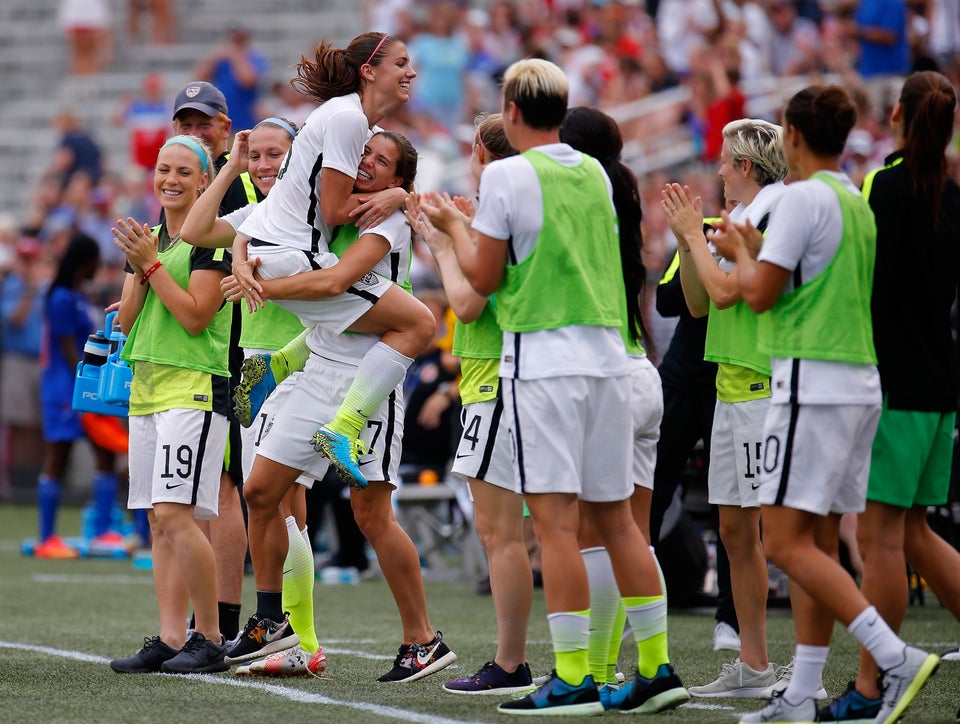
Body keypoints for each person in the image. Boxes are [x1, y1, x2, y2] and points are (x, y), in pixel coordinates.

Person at [419, 58, 687, 716]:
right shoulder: (594, 170)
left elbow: (482, 281)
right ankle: (656, 667)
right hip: (610, 359)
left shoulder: (507, 175)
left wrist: (451, 230)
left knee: (559, 528)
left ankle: (572, 678)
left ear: (512, 110)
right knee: (618, 524)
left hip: (546, 364)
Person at [710, 84, 939, 724]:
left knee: (783, 543)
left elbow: (758, 295)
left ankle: (893, 655)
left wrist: (736, 251)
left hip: (813, 383)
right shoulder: (853, 198)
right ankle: (802, 692)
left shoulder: (804, 197)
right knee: (818, 539)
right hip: (858, 383)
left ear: (794, 136)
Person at [221, 129, 457, 683]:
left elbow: (334, 285)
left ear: (399, 178)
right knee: (259, 491)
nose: (367, 162)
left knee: (372, 514)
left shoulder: (390, 218)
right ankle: (274, 622)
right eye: (364, 152)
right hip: (319, 368)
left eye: (382, 160)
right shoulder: (332, 205)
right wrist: (240, 252)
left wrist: (259, 285)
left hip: (370, 376)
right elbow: (245, 225)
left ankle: (423, 640)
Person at [229, 33, 433, 491]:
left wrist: (242, 253)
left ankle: (278, 366)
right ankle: (344, 426)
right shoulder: (348, 119)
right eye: (401, 63)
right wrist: (398, 196)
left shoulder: (342, 117)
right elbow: (338, 211)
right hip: (292, 257)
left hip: (275, 251)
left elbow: (274, 208)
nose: (411, 72)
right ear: (369, 71)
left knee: (265, 495)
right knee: (419, 323)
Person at [820, 70, 960, 723]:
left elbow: (862, 278)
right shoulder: (952, 193)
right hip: (939, 384)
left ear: (897, 114)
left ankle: (871, 684)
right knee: (914, 533)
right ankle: (872, 680)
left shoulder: (885, 183)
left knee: (881, 541)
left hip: (894, 384)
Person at [178, 116, 325, 677]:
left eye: (274, 154)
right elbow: (194, 230)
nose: (263, 165)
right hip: (254, 367)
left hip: (299, 363)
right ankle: (295, 637)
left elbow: (333, 284)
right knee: (272, 503)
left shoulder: (317, 209)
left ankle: (299, 636)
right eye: (255, 155)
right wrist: (230, 168)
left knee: (281, 503)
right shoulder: (258, 214)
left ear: (299, 156)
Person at [407, 113, 536, 696]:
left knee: (502, 533)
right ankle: (587, 663)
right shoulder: (525, 201)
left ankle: (512, 663)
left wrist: (441, 241)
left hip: (495, 380)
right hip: (515, 378)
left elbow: (469, 302)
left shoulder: (500, 206)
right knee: (545, 531)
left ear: (482, 150)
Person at [663, 118, 790, 698]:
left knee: (784, 540)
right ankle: (754, 665)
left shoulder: (773, 212)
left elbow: (725, 292)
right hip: (732, 387)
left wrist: (695, 236)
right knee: (736, 534)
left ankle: (807, 667)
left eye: (723, 160)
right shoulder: (742, 216)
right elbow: (697, 303)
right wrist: (686, 240)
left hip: (763, 387)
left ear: (744, 165)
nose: (716, 171)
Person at [557, 106, 671, 709]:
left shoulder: (580, 200)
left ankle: (600, 671)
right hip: (642, 372)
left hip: (607, 376)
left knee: (593, 535)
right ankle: (649, 667)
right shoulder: (621, 193)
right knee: (632, 535)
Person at [109, 135, 232, 675]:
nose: (171, 180)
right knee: (158, 520)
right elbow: (127, 320)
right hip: (148, 390)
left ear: (205, 180)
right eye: (164, 169)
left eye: (184, 171)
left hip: (194, 388)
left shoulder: (213, 239)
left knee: (177, 514)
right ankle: (170, 636)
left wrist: (152, 265)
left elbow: (197, 316)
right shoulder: (149, 238)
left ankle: (211, 637)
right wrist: (143, 263)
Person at [172, 79, 250, 643]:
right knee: (208, 488)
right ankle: (211, 621)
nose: (195, 132)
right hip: (207, 351)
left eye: (205, 123)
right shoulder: (193, 179)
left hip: (235, 350)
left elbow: (220, 277)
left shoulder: (234, 184)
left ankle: (222, 620)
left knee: (224, 487)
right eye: (186, 123)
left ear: (226, 127)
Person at [33, 233, 121, 559]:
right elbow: (68, 348)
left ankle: (102, 531)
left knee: (105, 452)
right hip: (65, 388)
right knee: (59, 455)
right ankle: (46, 537)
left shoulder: (76, 296)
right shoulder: (60, 298)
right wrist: (90, 385)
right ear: (85, 262)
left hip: (83, 387)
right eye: (96, 260)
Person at [193, 24, 269, 133]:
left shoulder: (255, 58)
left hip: (246, 118)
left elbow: (248, 81)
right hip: (222, 116)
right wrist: (213, 58)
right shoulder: (221, 58)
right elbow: (199, 79)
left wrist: (236, 56)